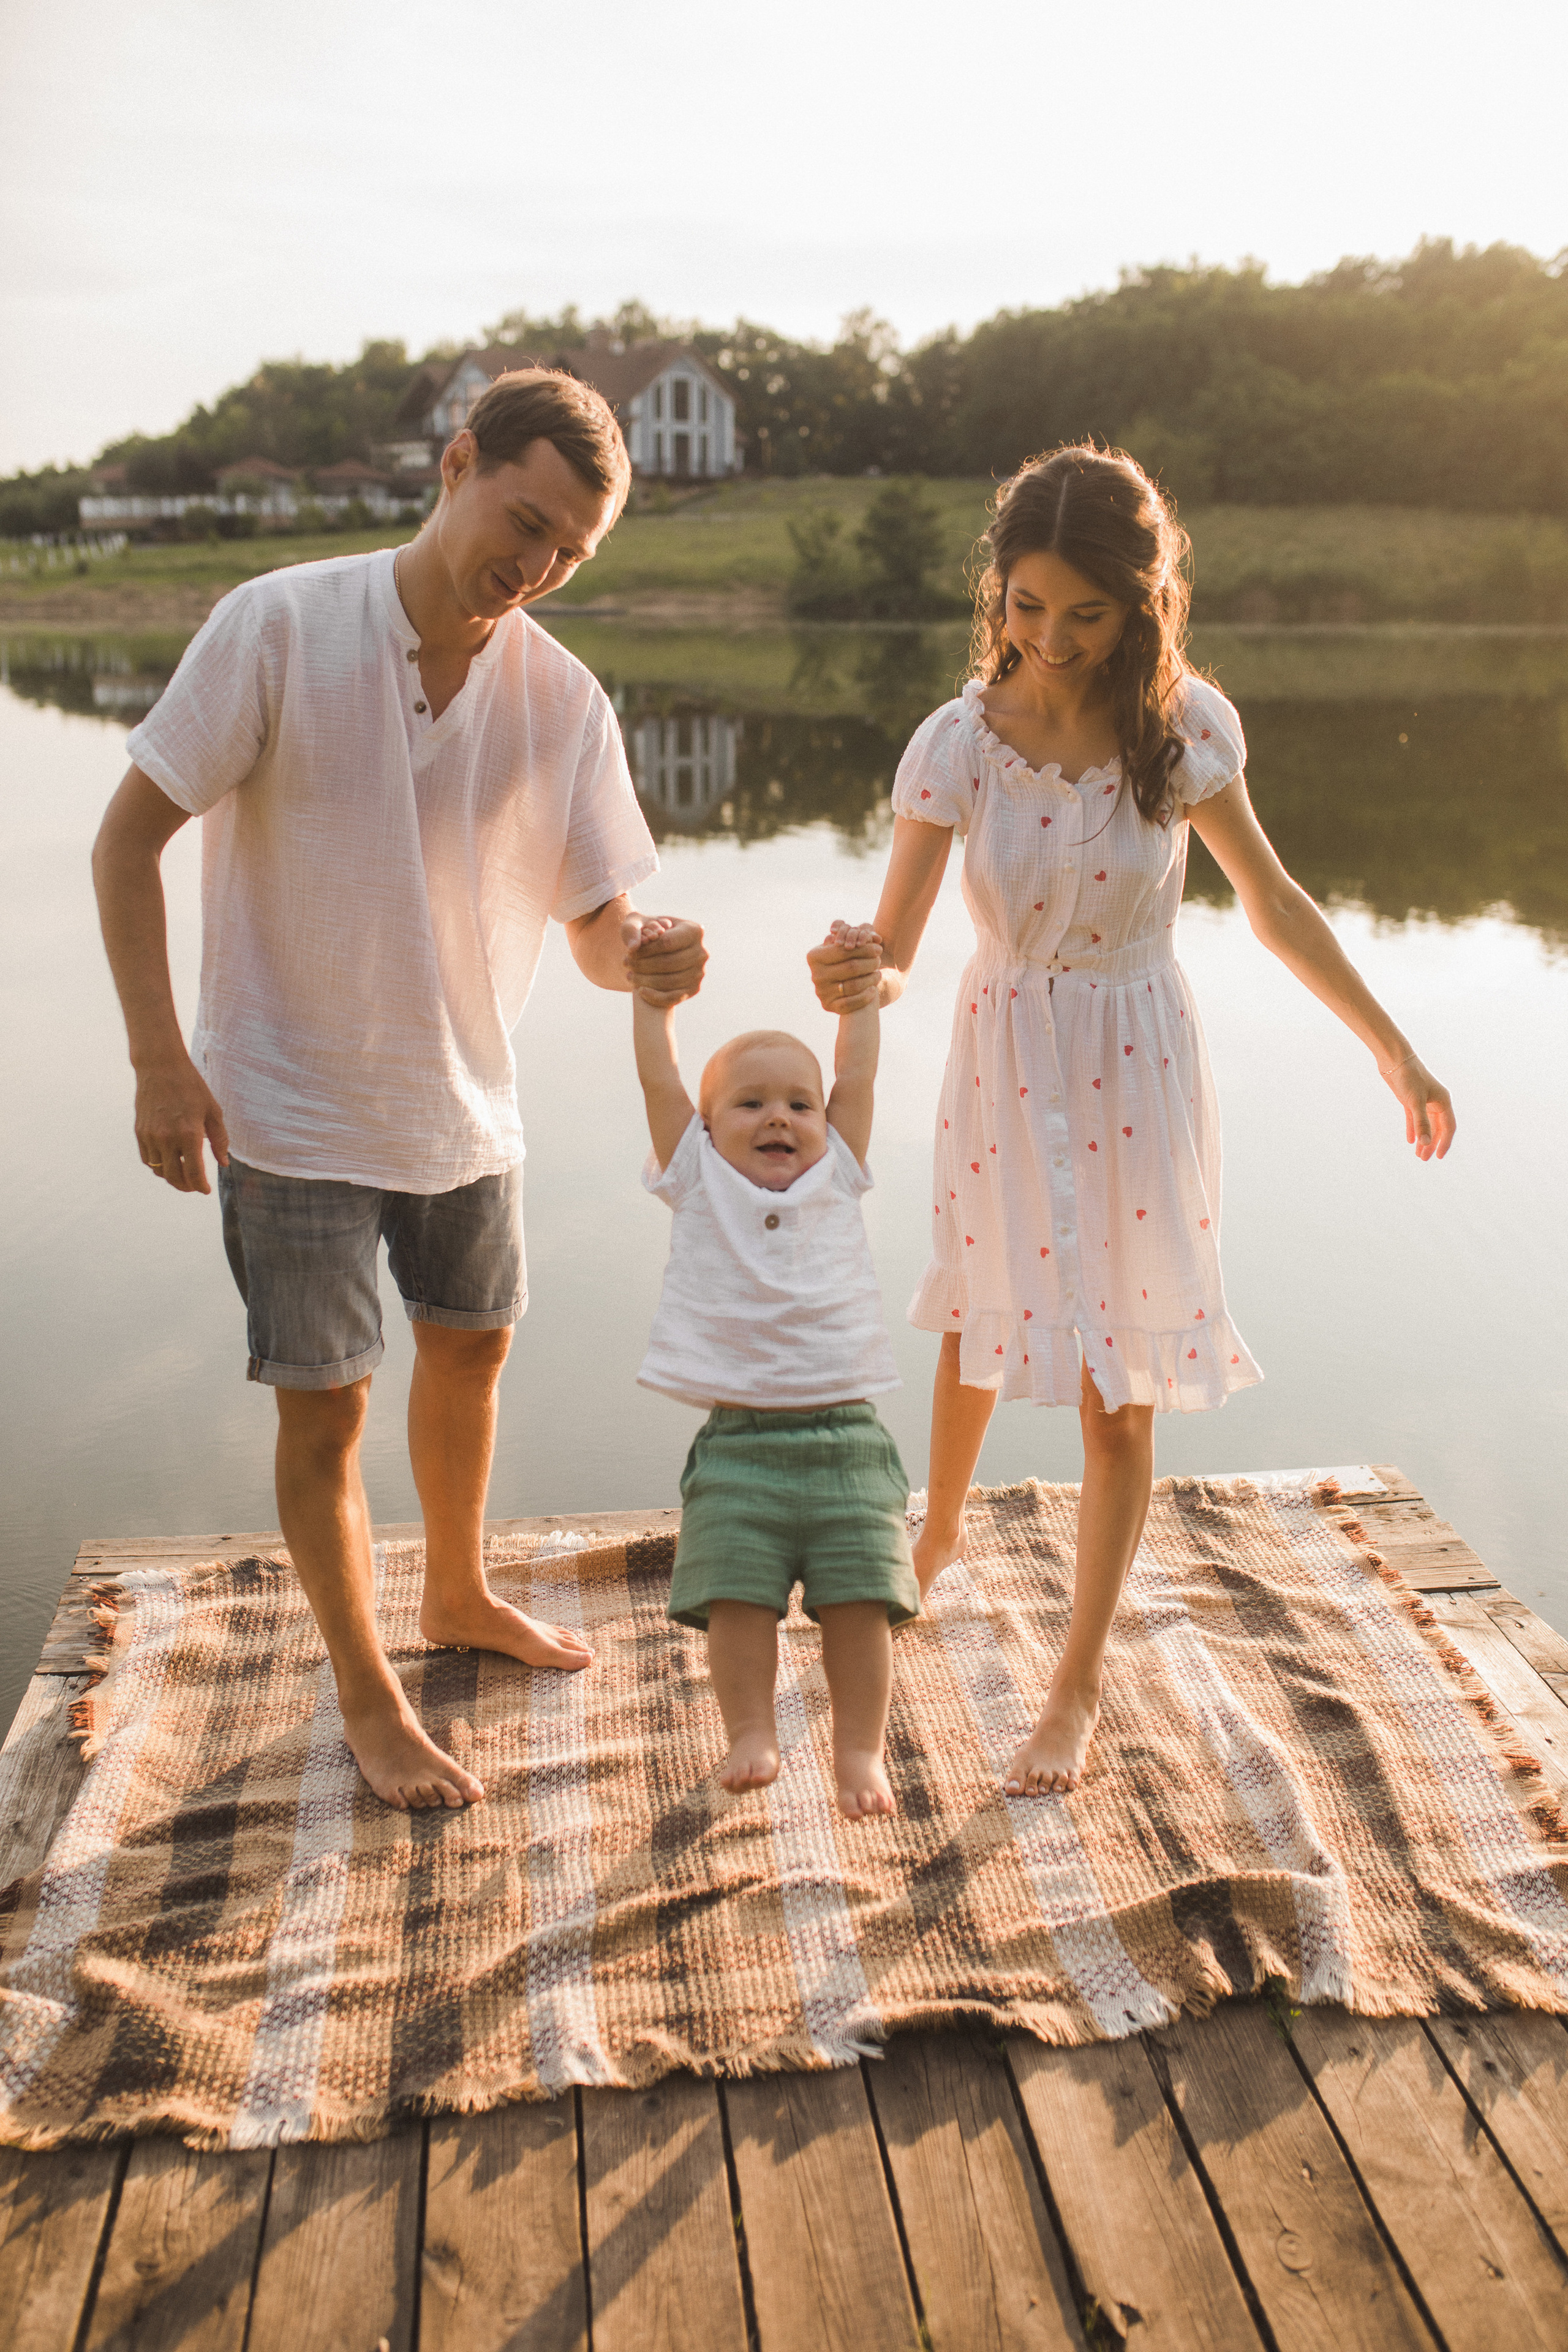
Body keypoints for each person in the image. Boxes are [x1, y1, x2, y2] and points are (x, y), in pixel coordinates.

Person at [91, 368, 707, 1813]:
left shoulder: (563, 699)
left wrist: (651, 957)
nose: (536, 564)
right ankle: (366, 1695)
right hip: (287, 1101)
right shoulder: (281, 624)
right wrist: (154, 1061)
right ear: (457, 463)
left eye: (569, 551)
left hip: (463, 1099)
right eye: (525, 519)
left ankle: (458, 1593)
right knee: (325, 1411)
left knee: (474, 1349)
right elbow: (126, 847)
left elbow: (599, 927)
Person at [807, 443, 1455, 1798]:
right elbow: (897, 945)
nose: (1046, 641)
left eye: (1081, 614)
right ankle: (931, 1540)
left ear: (1143, 602)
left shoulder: (1185, 728)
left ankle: (1076, 1680)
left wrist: (1394, 1052)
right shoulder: (955, 742)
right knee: (978, 1313)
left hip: (1131, 1059)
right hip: (1001, 1051)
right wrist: (850, 973)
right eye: (1024, 606)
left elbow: (1273, 904)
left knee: (1119, 1378)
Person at [626, 917, 918, 1819]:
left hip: (849, 1442)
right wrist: (653, 1000)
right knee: (736, 1601)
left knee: (862, 1602)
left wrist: (860, 998)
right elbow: (657, 1077)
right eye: (750, 1104)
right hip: (740, 1446)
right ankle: (751, 1731)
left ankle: (859, 1750)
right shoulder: (696, 1176)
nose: (781, 1116)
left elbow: (858, 1074)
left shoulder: (842, 1171)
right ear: (708, 1128)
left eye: (799, 1101)